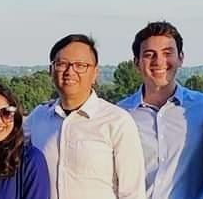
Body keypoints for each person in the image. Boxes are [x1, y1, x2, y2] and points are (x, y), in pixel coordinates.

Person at [25, 34, 146, 199]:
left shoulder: (117, 121)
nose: (70, 71)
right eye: (62, 64)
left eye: (80, 65)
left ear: (95, 73)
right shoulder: (38, 117)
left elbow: (132, 192)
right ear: (51, 70)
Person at [116, 21, 203, 199]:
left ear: (181, 58)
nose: (159, 61)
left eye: (167, 53)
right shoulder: (120, 115)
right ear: (136, 63)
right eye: (150, 54)